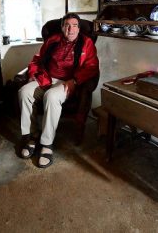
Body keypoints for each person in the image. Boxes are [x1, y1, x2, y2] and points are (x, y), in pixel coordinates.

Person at [18, 13, 99, 168]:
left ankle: (47, 144)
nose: (71, 29)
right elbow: (37, 59)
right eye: (67, 25)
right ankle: (32, 136)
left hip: (69, 82)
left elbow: (92, 67)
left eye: (75, 25)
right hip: (47, 78)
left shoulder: (87, 43)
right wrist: (34, 74)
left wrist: (75, 81)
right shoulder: (52, 40)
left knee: (52, 96)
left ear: (79, 28)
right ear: (62, 27)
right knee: (24, 92)